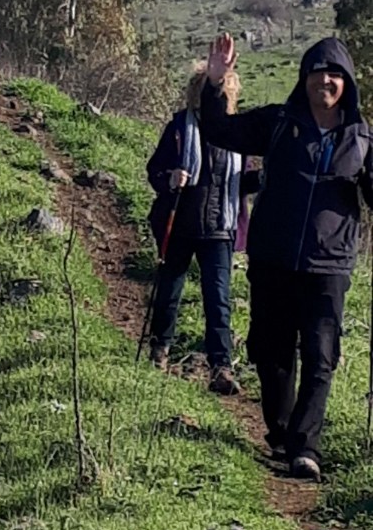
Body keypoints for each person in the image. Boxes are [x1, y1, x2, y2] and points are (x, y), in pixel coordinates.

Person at [201, 33, 373, 481]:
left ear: (347, 83)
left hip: (329, 265)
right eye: (319, 72)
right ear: (305, 78)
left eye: (335, 74)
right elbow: (219, 130)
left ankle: (306, 447)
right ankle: (281, 432)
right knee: (270, 349)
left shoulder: (361, 137)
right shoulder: (279, 122)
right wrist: (215, 84)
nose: (326, 81)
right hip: (273, 256)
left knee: (321, 355)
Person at [146, 64, 243, 396]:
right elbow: (154, 170)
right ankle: (159, 351)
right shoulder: (178, 127)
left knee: (218, 299)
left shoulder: (236, 132)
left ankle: (222, 367)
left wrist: (268, 181)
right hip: (180, 224)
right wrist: (170, 177)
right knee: (169, 291)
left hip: (219, 227)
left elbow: (238, 181)